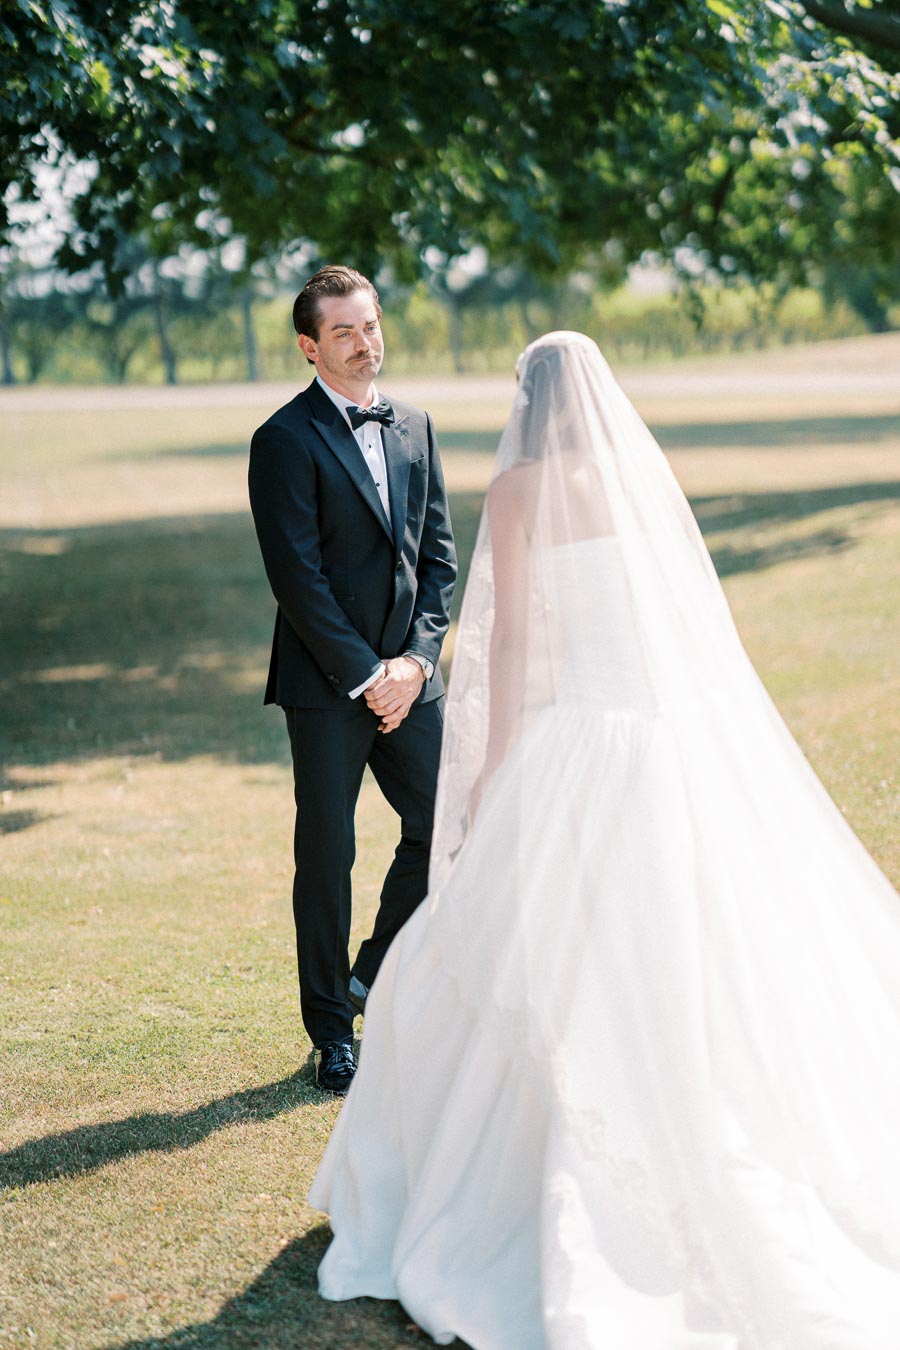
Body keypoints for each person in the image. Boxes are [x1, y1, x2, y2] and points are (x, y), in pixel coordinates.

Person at [308, 331, 900, 1348]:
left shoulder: (524, 490)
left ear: (528, 403)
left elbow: (513, 643)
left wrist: (492, 771)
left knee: (543, 954)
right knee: (692, 948)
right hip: (675, 738)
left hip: (585, 735)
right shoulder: (636, 475)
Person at [248, 265, 456, 1095]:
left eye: (370, 325)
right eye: (344, 331)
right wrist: (368, 675)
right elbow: (296, 578)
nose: (364, 342)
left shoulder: (417, 425)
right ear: (310, 346)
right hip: (327, 686)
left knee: (451, 827)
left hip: (412, 680)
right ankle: (332, 1030)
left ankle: (370, 972)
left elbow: (438, 558)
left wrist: (416, 663)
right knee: (327, 854)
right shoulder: (283, 440)